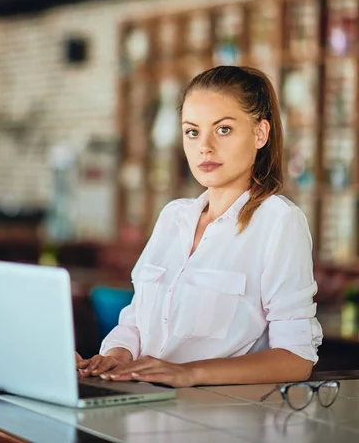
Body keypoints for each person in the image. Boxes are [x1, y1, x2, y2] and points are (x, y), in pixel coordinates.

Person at [77, 65, 322, 387]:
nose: (204, 146)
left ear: (260, 133)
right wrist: (117, 356)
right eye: (192, 132)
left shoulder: (279, 222)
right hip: (142, 406)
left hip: (219, 419)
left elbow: (296, 358)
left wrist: (189, 373)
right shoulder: (173, 217)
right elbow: (137, 320)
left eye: (223, 130)